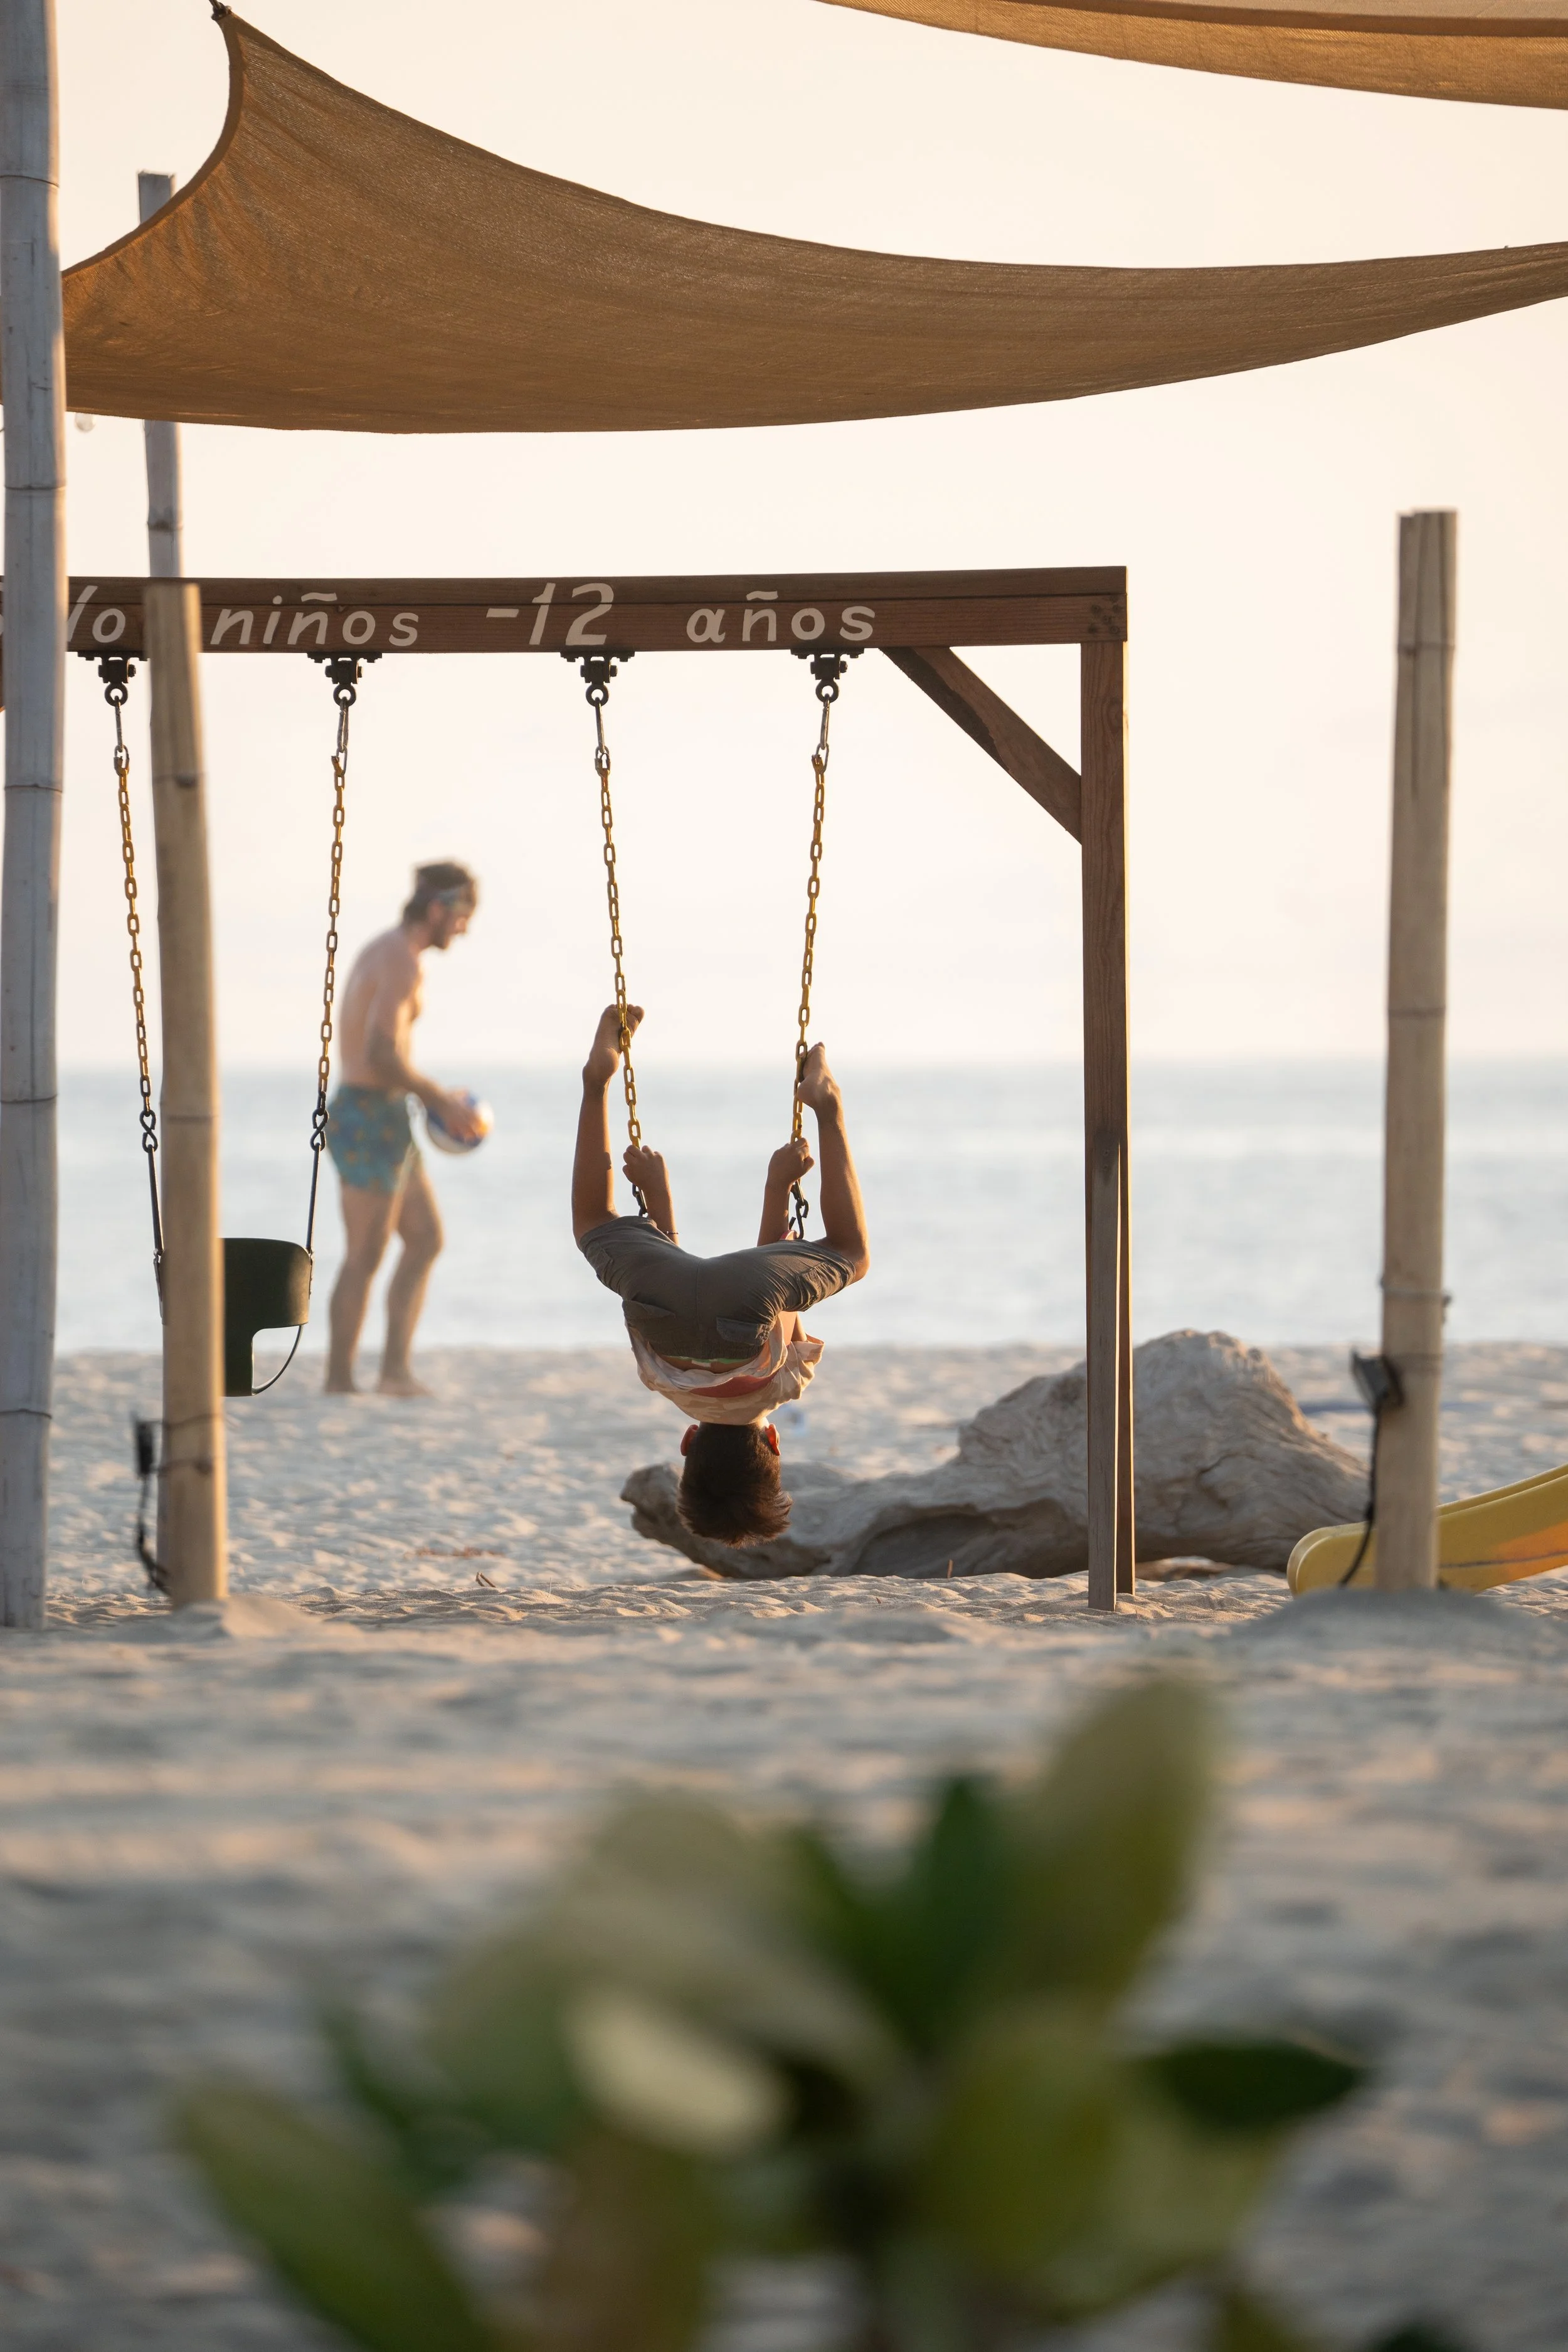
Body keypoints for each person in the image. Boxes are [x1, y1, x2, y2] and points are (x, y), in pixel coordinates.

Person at [572, 1003, 870, 1545]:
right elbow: (675, 1282)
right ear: (688, 1443)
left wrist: (778, 1185)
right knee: (592, 1222)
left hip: (749, 1298)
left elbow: (775, 1273)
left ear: (774, 1444)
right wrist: (656, 1193)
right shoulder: (661, 1381)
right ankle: (597, 1084)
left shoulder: (784, 1385)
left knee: (852, 1253)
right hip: (661, 1294)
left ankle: (828, 1107)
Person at [324, 861, 485, 1396]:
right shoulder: (399, 960)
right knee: (365, 1254)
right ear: (439, 909)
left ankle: (394, 1373)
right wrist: (438, 1097)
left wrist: (425, 1099)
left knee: (424, 1239)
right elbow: (379, 1052)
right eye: (462, 916)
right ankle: (340, 1381)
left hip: (386, 1114)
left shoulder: (395, 952)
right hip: (367, 1114)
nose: (463, 928)